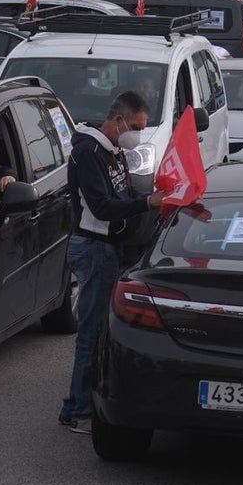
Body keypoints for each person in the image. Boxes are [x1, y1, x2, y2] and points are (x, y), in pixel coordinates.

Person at [59, 91, 166, 434]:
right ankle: (78, 411)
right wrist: (148, 202)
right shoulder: (88, 153)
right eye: (135, 126)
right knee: (90, 333)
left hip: (109, 248)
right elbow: (102, 207)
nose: (138, 133)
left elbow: (125, 195)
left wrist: (152, 198)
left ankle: (78, 405)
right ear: (118, 120)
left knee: (100, 331)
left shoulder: (114, 150)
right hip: (94, 247)